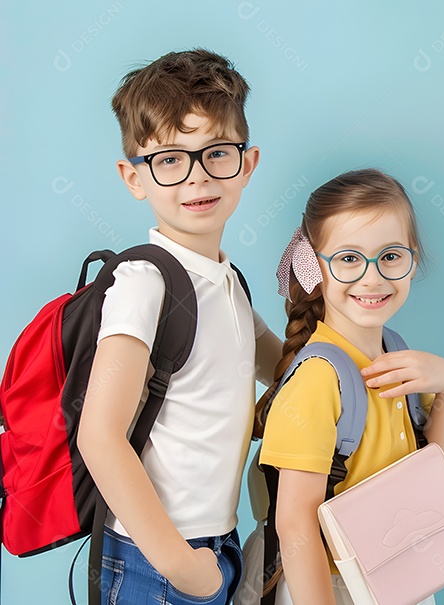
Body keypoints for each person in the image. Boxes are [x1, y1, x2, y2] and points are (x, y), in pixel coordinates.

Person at [77, 49, 284, 604]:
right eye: (170, 159)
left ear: (248, 162)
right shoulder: (147, 279)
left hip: (219, 544)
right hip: (156, 559)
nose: (196, 175)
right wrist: (179, 564)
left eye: (217, 152)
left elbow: (289, 367)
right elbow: (100, 435)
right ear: (133, 177)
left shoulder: (227, 280)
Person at [260, 169, 444, 604]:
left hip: (399, 573)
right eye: (349, 258)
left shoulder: (399, 357)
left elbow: (431, 477)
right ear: (312, 265)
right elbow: (295, 525)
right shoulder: (317, 379)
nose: (372, 279)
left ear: (412, 257)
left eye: (390, 256)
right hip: (334, 588)